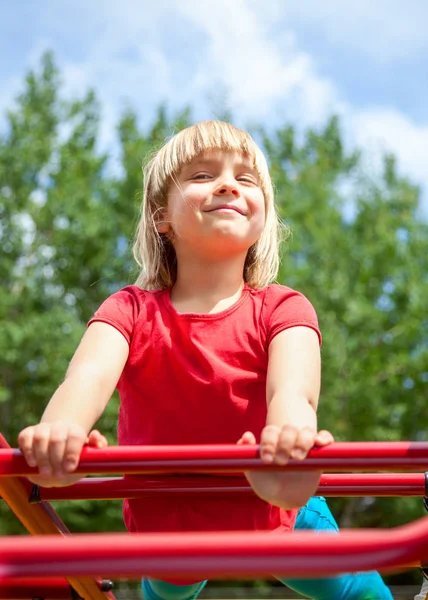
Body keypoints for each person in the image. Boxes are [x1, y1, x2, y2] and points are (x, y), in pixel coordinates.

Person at [18, 121, 393, 599]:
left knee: (360, 591)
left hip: (273, 507)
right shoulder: (129, 310)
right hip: (169, 523)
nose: (228, 184)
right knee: (169, 588)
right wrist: (61, 434)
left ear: (264, 217)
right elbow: (84, 379)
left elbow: (293, 393)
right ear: (162, 216)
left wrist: (289, 447)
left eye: (247, 178)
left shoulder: (284, 308)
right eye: (201, 175)